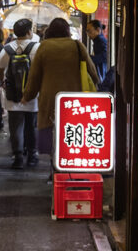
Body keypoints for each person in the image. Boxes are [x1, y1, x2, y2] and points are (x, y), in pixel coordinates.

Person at [22, 16, 98, 158]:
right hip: (74, 98)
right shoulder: (76, 45)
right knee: (73, 130)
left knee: (52, 132)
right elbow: (91, 70)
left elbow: (34, 76)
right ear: (67, 31)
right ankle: (70, 163)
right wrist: (96, 84)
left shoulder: (44, 47)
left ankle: (54, 167)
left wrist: (28, 96)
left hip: (51, 99)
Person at [0, 18, 39, 169]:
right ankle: (32, 156)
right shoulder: (36, 47)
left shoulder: (7, 48)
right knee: (31, 126)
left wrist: (3, 82)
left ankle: (18, 158)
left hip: (13, 96)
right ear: (29, 32)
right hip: (32, 95)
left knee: (15, 127)